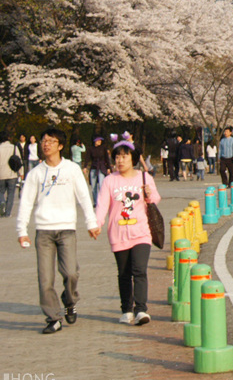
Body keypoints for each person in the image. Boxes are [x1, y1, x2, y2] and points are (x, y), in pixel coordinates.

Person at [16, 127, 100, 334]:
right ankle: (53, 317)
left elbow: (83, 197)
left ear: (60, 146)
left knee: (71, 272)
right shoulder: (35, 173)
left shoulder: (71, 169)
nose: (46, 144)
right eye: (44, 141)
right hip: (43, 231)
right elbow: (26, 202)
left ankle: (70, 301)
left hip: (66, 229)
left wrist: (91, 223)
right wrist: (21, 230)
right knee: (45, 278)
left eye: (51, 141)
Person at [95, 135, 160, 326]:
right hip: (118, 233)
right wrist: (97, 224)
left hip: (141, 232)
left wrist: (149, 195)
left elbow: (155, 199)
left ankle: (141, 309)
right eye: (117, 157)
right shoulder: (109, 181)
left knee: (139, 270)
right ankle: (126, 310)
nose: (120, 160)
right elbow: (102, 205)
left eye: (124, 156)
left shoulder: (144, 177)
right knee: (124, 273)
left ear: (133, 158)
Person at [0, 131, 23, 217]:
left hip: (1, 174)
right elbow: (19, 160)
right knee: (11, 193)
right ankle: (8, 213)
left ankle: (1, 201)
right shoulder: (14, 147)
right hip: (12, 174)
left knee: (1, 191)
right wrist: (21, 173)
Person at [85, 135, 111, 207]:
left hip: (102, 168)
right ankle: (96, 202)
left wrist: (108, 168)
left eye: (100, 140)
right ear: (94, 141)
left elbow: (107, 158)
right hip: (94, 168)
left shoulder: (103, 148)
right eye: (98, 140)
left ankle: (103, 201)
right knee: (93, 186)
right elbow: (87, 158)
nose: (99, 142)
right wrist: (85, 167)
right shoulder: (91, 149)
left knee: (102, 185)